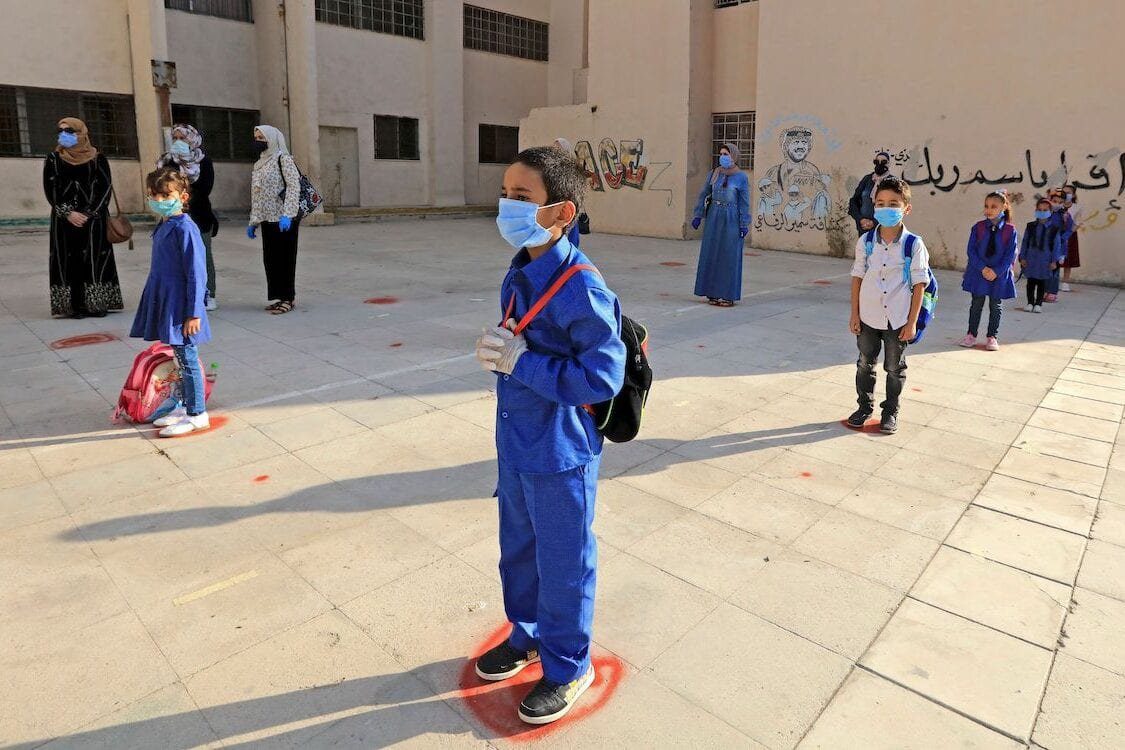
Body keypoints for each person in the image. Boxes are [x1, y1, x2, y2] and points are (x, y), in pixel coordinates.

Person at [472, 146, 625, 725]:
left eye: (523, 197)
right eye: (504, 194)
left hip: (560, 451)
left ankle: (568, 665)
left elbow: (602, 377)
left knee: (564, 563)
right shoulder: (519, 271)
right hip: (518, 442)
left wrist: (521, 362)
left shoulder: (581, 287)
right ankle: (528, 635)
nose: (507, 206)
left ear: (561, 212)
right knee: (519, 551)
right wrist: (504, 351)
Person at [130, 167, 212, 437]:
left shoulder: (185, 228)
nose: (160, 200)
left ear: (182, 197)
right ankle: (183, 406)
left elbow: (197, 273)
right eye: (154, 195)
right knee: (178, 359)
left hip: (181, 305)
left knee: (187, 359)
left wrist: (194, 312)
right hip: (166, 298)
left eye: (166, 195)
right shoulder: (165, 224)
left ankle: (197, 414)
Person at [847, 177, 931, 434]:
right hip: (868, 316)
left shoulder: (913, 244)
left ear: (906, 208)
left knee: (894, 368)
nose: (886, 208)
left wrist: (912, 322)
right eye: (881, 203)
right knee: (865, 363)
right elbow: (857, 277)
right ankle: (864, 407)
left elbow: (919, 284)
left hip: (898, 318)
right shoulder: (866, 242)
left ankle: (890, 411)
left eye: (893, 203)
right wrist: (854, 314)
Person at [42, 117, 124, 318]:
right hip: (64, 220)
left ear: (81, 133)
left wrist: (88, 213)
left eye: (69, 131)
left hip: (93, 220)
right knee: (69, 261)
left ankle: (97, 304)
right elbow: (51, 189)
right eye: (61, 131)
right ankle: (73, 306)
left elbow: (105, 188)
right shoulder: (53, 159)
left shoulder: (98, 158)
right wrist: (68, 213)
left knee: (94, 260)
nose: (64, 135)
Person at [158, 124, 219, 311]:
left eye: (182, 138)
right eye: (175, 138)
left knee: (202, 257)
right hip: (173, 216)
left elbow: (205, 188)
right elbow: (161, 186)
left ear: (192, 139)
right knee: (176, 258)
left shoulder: (203, 161)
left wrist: (184, 200)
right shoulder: (167, 161)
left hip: (199, 216)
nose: (178, 142)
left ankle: (208, 294)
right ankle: (182, 296)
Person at [247, 125, 301, 314]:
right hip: (267, 220)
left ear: (271, 139)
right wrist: (253, 221)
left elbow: (294, 186)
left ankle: (288, 298)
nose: (258, 141)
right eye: (256, 137)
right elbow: (257, 195)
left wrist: (288, 214)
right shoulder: (259, 164)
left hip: (284, 219)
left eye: (261, 138)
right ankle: (279, 296)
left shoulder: (283, 158)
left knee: (285, 259)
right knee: (271, 261)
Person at [691, 143, 750, 307]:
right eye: (721, 154)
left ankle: (728, 295)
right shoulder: (714, 174)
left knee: (729, 255)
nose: (722, 157)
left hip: (731, 218)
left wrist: (744, 223)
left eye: (726, 154)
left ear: (734, 156)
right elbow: (704, 194)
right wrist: (698, 215)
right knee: (711, 252)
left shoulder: (741, 177)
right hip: (714, 216)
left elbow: (744, 202)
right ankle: (712, 292)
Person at [959, 190, 1018, 351]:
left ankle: (992, 337)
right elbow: (971, 251)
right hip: (979, 272)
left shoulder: (1010, 230)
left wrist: (996, 271)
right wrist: (983, 268)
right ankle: (971, 334)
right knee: (976, 304)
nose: (989, 210)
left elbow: (1010, 254)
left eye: (993, 206)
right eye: (986, 206)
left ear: (1003, 207)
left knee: (995, 305)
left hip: (998, 274)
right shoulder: (978, 227)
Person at [1020, 198, 1061, 313]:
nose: (1042, 212)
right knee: (1031, 282)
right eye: (1039, 210)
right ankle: (1030, 302)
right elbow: (1025, 242)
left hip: (1045, 259)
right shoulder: (1031, 226)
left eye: (1045, 210)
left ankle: (1038, 303)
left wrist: (1054, 261)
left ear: (1050, 211)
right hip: (1031, 258)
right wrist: (1022, 257)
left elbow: (1057, 245)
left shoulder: (1054, 229)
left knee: (1042, 282)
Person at [553, 137, 589, 247]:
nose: (555, 150)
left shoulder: (572, 166)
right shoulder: (553, 165)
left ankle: (573, 250)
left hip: (570, 202)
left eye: (558, 148)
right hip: (556, 202)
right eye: (554, 147)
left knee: (572, 229)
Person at [848, 151, 891, 234]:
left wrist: (874, 223)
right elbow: (854, 201)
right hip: (864, 230)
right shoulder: (867, 179)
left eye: (883, 162)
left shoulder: (892, 182)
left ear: (888, 164)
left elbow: (894, 208)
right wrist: (860, 219)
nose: (879, 164)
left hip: (884, 231)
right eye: (876, 162)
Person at [1044, 188, 1074, 303]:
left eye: (1060, 202)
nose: (1057, 204)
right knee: (1045, 269)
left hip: (1059, 248)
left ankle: (1052, 293)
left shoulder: (1065, 215)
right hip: (1045, 246)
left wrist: (1062, 238)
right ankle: (1044, 291)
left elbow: (1069, 229)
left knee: (1055, 271)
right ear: (1050, 200)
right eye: (1055, 201)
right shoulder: (1046, 213)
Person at [1060, 184, 1082, 291]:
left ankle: (1065, 282)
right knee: (1054, 257)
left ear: (1073, 195)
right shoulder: (1057, 205)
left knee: (1068, 259)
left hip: (1070, 235)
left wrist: (1068, 234)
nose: (1066, 194)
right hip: (1056, 234)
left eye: (1068, 193)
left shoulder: (1077, 207)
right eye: (1064, 192)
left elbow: (1078, 222)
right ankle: (1051, 281)